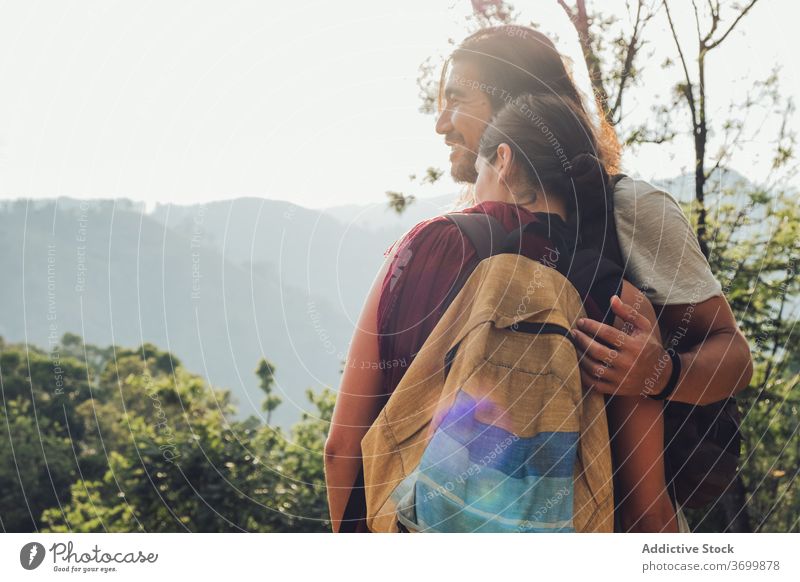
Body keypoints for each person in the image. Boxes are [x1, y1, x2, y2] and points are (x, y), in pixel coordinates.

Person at [324, 25, 752, 533]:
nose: (441, 123)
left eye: (456, 99)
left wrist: (662, 372)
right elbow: (646, 509)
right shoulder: (459, 238)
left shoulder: (628, 211)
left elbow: (734, 357)